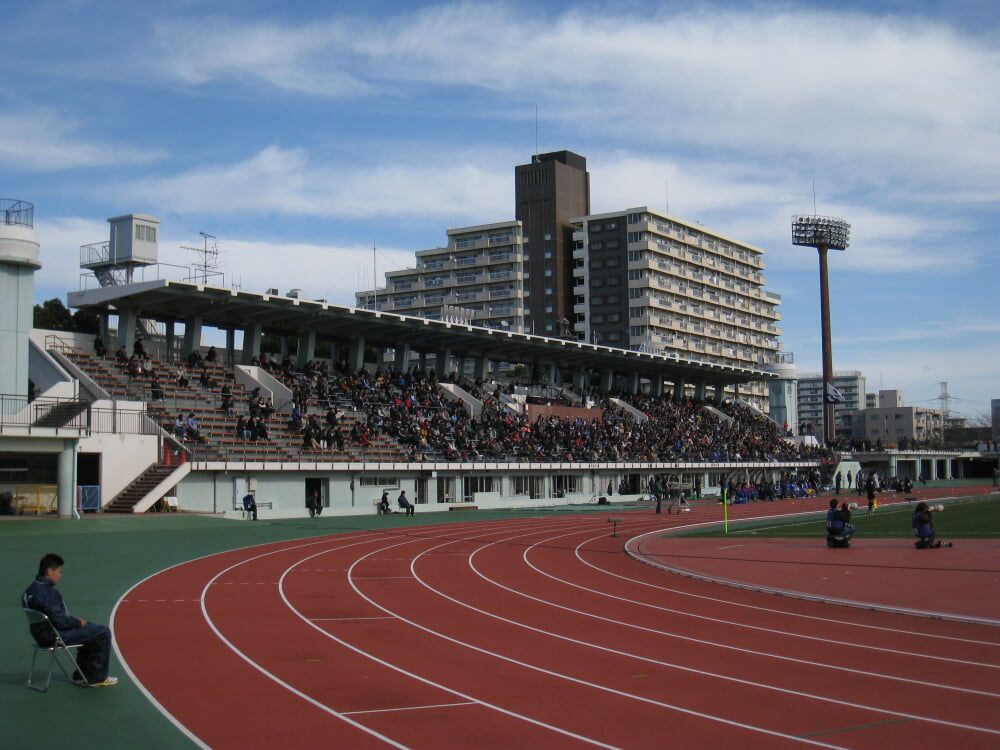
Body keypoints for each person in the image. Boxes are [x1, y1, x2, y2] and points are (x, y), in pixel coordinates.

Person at [22, 553, 118, 687]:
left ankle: (82, 675)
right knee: (102, 632)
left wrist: (77, 623)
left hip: (40, 635)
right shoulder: (50, 594)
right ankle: (97, 678)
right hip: (54, 636)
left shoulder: (28, 592)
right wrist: (77, 622)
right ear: (49, 572)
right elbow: (60, 622)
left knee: (90, 629)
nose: (60, 575)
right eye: (58, 572)